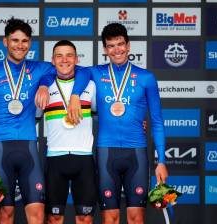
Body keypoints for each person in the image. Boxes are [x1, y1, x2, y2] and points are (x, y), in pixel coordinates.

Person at [66, 23, 168, 224]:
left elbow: (156, 121)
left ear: (128, 46)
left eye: (120, 44)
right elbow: (80, 72)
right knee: (110, 218)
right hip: (107, 153)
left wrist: (162, 160)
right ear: (105, 50)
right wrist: (75, 94)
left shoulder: (146, 78)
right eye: (111, 46)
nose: (116, 50)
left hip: (136, 152)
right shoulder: (96, 73)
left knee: (136, 218)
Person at [0, 18, 55, 224]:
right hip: (1, 149)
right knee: (6, 215)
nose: (20, 45)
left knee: (37, 215)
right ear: (5, 42)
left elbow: (56, 69)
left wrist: (44, 86)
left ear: (30, 43)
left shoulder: (39, 69)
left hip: (29, 149)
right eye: (15, 40)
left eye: (25, 41)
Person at [42, 40, 97, 224]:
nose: (64, 60)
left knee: (85, 218)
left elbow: (104, 115)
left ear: (77, 59)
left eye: (69, 55)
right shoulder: (44, 88)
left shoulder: (90, 86)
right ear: (52, 60)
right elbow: (28, 117)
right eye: (59, 55)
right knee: (54, 218)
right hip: (55, 158)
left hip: (84, 158)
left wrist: (139, 123)